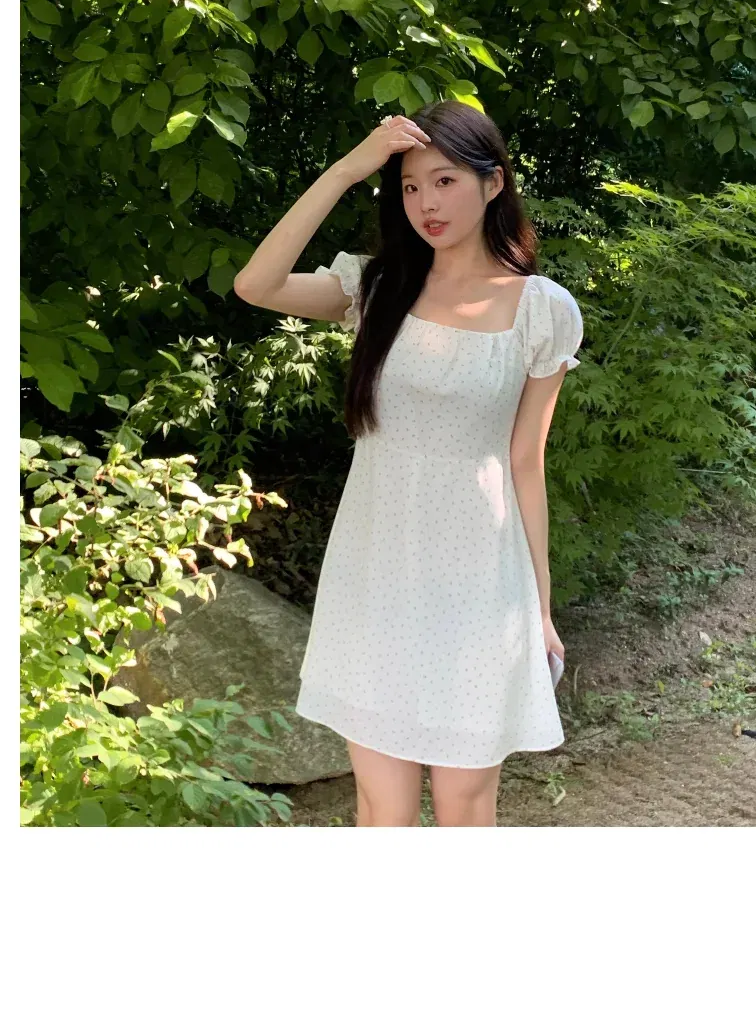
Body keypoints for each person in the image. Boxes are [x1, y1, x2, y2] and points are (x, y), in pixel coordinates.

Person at [233, 100, 584, 827]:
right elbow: (255, 284)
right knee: (382, 807)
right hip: (376, 579)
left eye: (446, 181)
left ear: (494, 183)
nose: (427, 203)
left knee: (463, 802)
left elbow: (525, 464)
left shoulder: (541, 310)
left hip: (481, 590)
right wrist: (349, 167)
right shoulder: (377, 287)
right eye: (410, 186)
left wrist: (540, 610)